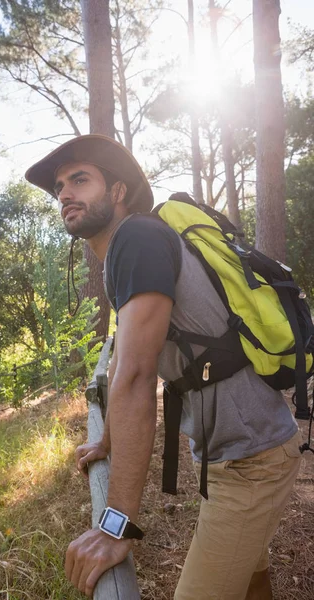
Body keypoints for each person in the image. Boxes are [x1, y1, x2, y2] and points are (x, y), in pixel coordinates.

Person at [25, 134, 302, 600]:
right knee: (249, 577)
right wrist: (106, 439)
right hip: (232, 455)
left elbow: (136, 376)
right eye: (59, 188)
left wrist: (115, 526)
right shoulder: (130, 250)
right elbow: (121, 364)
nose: (65, 194)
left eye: (80, 180)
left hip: (252, 460)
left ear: (117, 192)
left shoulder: (137, 237)